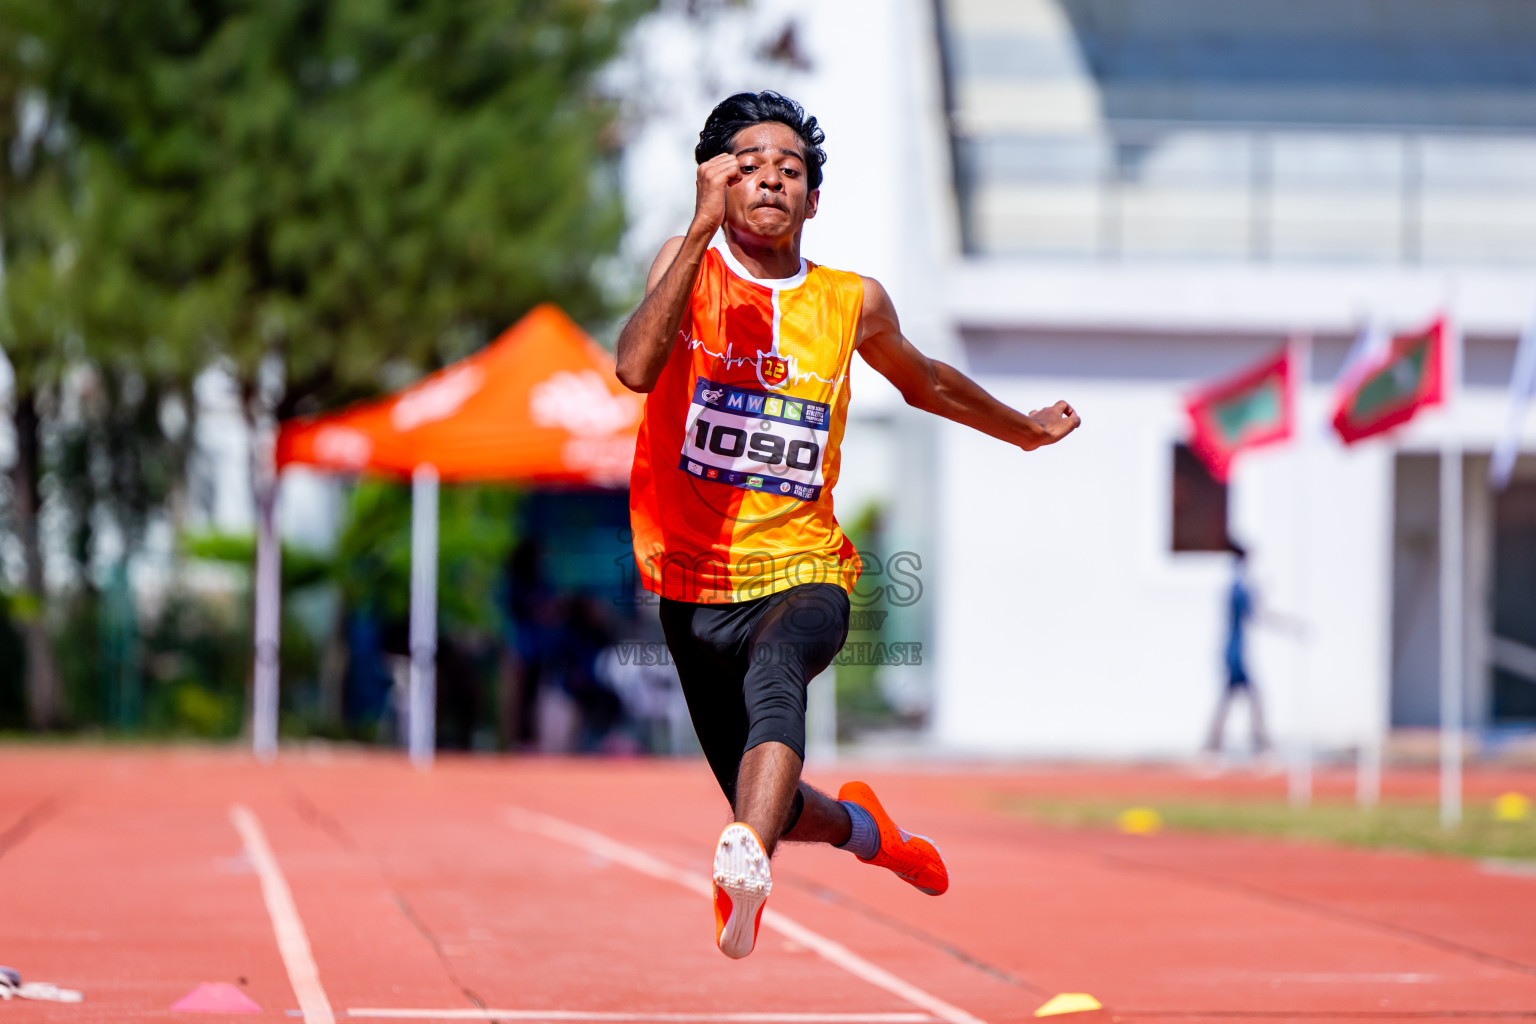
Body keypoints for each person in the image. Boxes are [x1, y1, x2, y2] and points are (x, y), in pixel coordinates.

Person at [616, 91, 1080, 959]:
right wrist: (696, 231)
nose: (770, 182)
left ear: (813, 199)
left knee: (782, 670)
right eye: (747, 168)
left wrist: (1020, 429)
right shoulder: (689, 274)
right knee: (779, 799)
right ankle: (868, 833)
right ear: (716, 184)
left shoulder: (849, 302)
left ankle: (743, 862)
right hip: (691, 579)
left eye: (789, 171)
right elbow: (636, 366)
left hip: (804, 568)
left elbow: (928, 382)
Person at [1204, 541, 1272, 756]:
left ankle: (1214, 745)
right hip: (1236, 652)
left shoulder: (1235, 585)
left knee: (1234, 698)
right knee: (1251, 697)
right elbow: (1256, 615)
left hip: (1234, 650)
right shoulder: (1239, 588)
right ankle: (1260, 745)